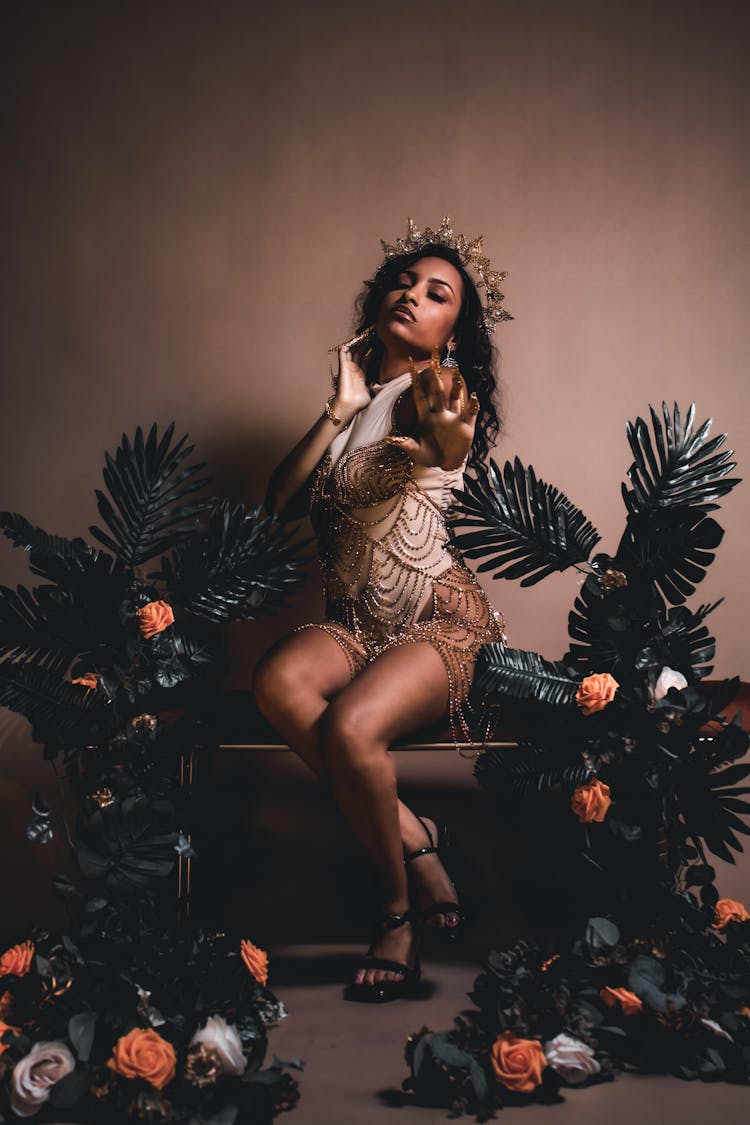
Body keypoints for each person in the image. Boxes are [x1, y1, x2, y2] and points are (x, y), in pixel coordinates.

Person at [253, 218, 510, 1002]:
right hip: (358, 623)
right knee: (277, 682)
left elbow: (449, 440)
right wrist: (337, 409)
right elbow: (275, 504)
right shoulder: (362, 401)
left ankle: (397, 911)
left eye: (439, 294)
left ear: (452, 332)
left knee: (351, 726)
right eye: (406, 281)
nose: (414, 294)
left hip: (438, 618)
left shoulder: (438, 392)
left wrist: (445, 444)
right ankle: (416, 837)